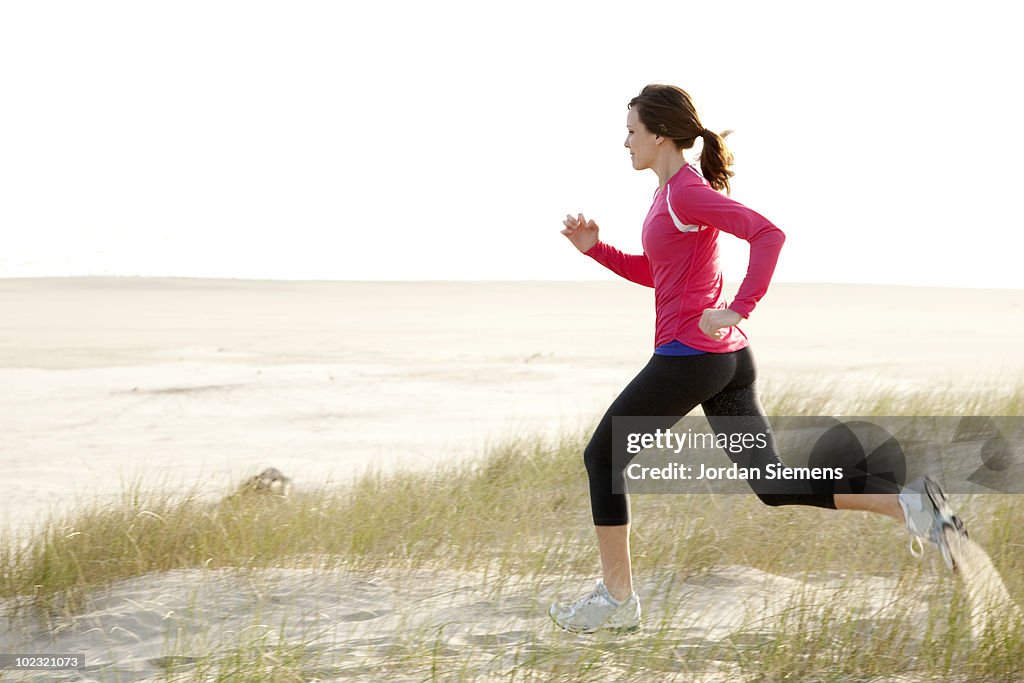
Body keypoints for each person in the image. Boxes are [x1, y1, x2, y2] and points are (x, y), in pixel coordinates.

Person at [549, 84, 968, 635]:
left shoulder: (685, 195)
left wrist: (739, 306)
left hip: (691, 358)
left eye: (631, 131)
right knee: (772, 484)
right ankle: (911, 506)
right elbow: (660, 275)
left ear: (660, 134)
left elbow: (769, 233)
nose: (624, 142)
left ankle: (617, 600)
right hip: (724, 361)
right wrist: (596, 251)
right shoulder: (669, 194)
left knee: (602, 458)